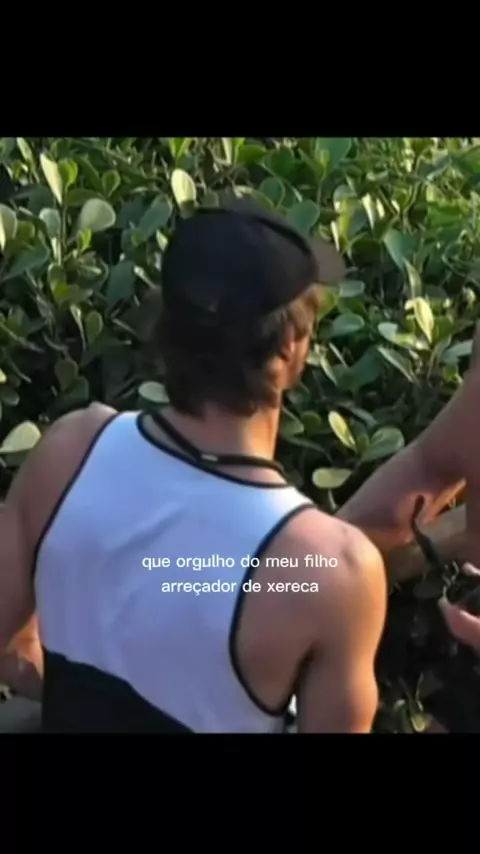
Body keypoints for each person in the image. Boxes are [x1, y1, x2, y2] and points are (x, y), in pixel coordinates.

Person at [0, 198, 387, 733]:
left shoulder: (70, 450)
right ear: (290, 346)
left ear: (168, 325)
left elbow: (9, 645)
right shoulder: (327, 570)